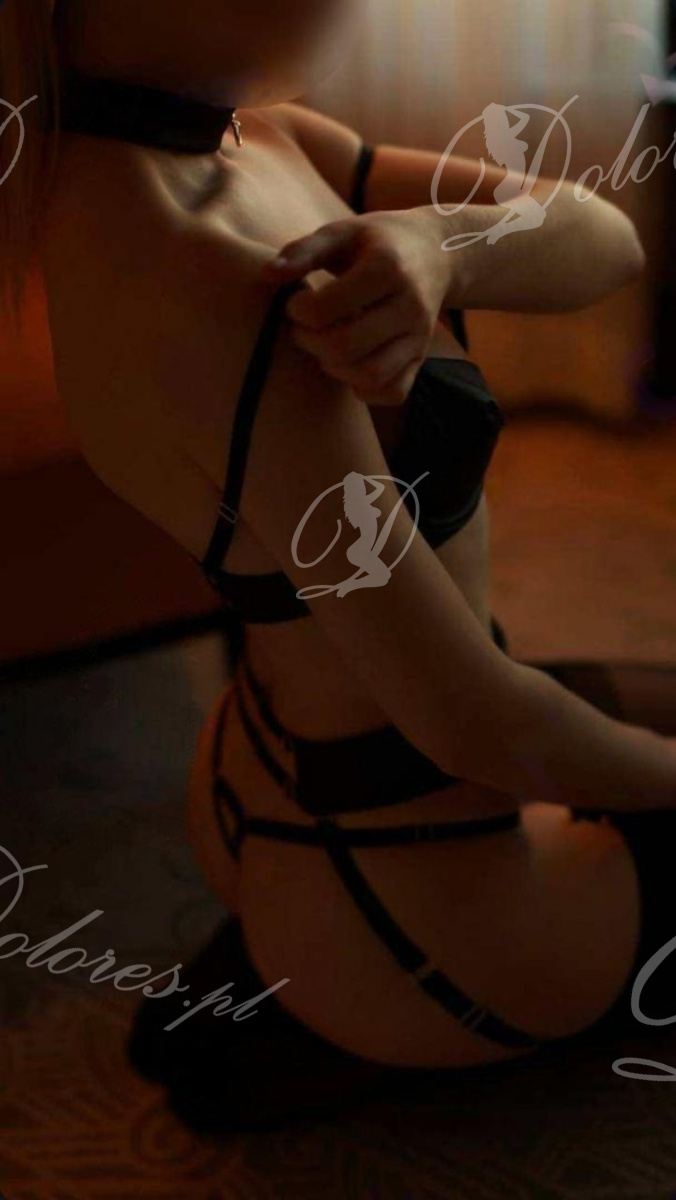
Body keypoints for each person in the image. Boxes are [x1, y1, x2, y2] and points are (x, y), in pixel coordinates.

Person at [2, 0, 676, 1136]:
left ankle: (292, 1004)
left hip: (278, 773)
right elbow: (479, 724)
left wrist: (439, 242)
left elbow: (607, 240)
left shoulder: (218, 149)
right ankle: (338, 1009)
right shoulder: (243, 291)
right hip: (408, 874)